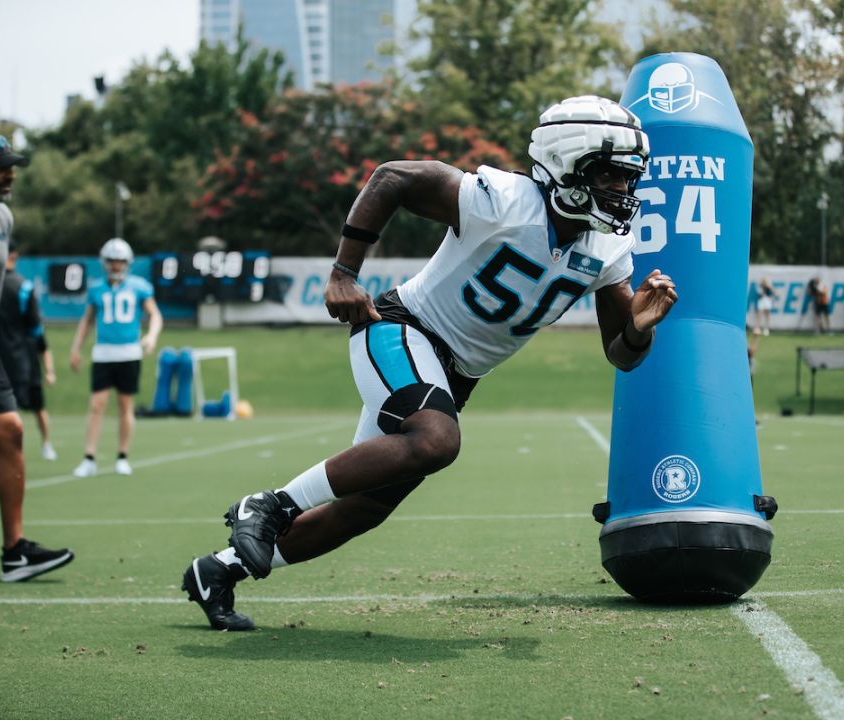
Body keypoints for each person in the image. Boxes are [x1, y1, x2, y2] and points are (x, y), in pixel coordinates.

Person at [179, 96, 678, 631]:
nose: (624, 192)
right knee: (437, 441)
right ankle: (269, 504)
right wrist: (344, 273)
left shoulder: (609, 248)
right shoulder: (504, 200)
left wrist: (639, 327)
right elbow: (393, 177)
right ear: (568, 164)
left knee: (362, 509)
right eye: (612, 176)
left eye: (629, 180)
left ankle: (218, 570)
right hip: (403, 330)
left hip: (452, 374)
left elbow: (621, 357)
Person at [0, 131, 75, 581]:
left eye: (11, 165)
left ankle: (15, 553)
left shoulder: (3, 216)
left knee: (10, 431)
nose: (10, 174)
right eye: (1, 167)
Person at [69, 238, 162, 477]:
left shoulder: (139, 286)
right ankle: (89, 457)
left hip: (129, 352)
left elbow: (155, 315)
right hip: (103, 352)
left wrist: (151, 336)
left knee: (125, 405)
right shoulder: (97, 289)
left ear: (127, 263)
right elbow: (87, 320)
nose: (116, 266)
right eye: (112, 261)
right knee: (97, 404)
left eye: (120, 261)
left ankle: (122, 455)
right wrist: (76, 348)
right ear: (104, 263)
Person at [0, 241, 58, 496]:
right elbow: (36, 328)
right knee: (13, 420)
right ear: (14, 256)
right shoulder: (23, 286)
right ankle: (10, 475)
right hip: (18, 361)